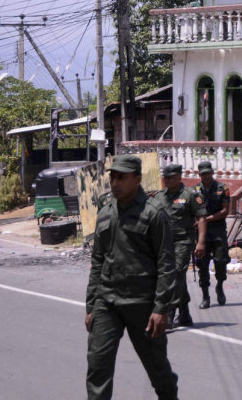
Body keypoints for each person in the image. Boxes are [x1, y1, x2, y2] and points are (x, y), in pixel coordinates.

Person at [86, 155, 178, 400]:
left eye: (122, 178)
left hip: (143, 305)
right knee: (98, 366)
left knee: (157, 369)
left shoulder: (154, 214)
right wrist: (91, 305)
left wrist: (161, 308)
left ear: (137, 179)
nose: (115, 183)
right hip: (107, 303)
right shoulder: (105, 213)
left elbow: (166, 263)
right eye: (112, 177)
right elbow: (97, 261)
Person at [152, 163, 207, 328]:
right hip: (163, 242)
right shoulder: (159, 196)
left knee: (175, 273)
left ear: (179, 177)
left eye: (171, 177)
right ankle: (185, 314)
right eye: (166, 178)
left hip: (183, 240)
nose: (168, 181)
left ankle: (169, 312)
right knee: (176, 277)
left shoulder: (191, 195)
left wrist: (201, 242)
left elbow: (202, 218)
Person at [193, 161, 230, 309]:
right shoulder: (194, 191)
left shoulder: (223, 188)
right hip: (201, 234)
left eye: (208, 173)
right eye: (203, 174)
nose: (206, 176)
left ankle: (220, 284)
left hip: (218, 230)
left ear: (212, 173)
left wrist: (206, 219)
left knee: (220, 261)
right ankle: (205, 296)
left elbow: (225, 210)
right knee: (202, 264)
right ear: (199, 175)